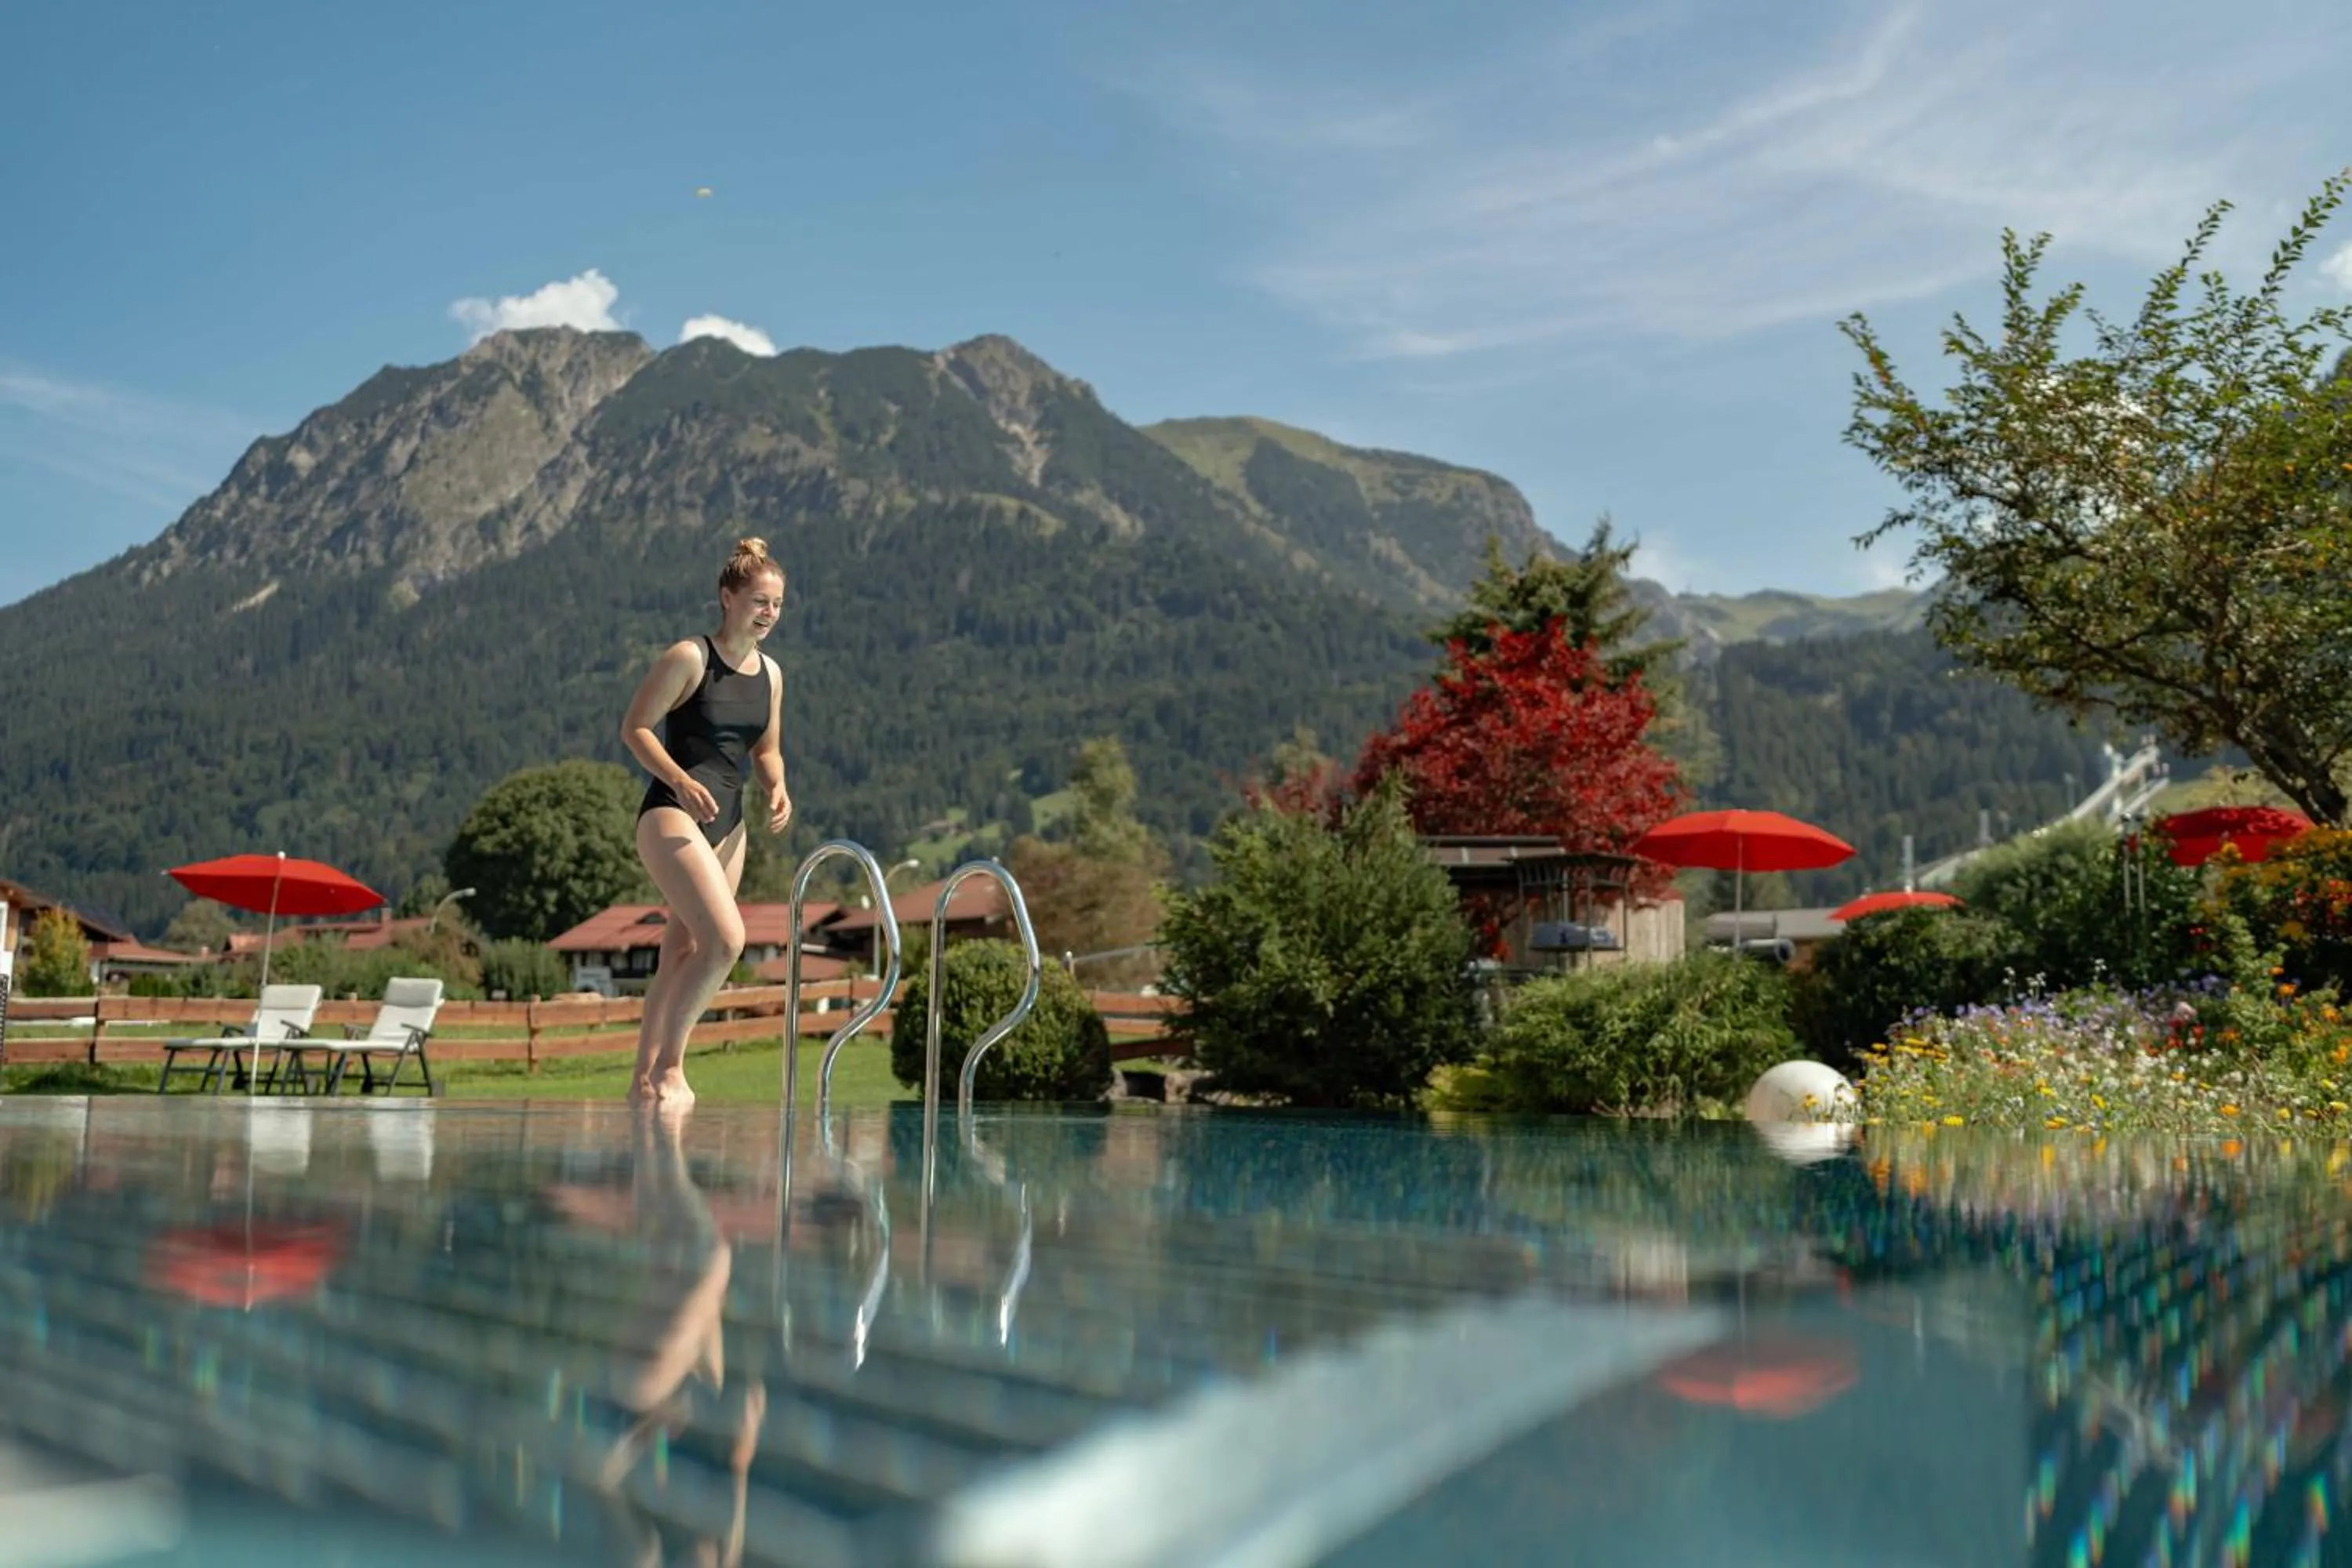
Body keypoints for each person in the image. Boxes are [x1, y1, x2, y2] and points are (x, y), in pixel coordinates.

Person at [619, 537, 793, 1104]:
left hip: (730, 826)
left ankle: (643, 1081)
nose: (768, 613)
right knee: (726, 941)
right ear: (727, 598)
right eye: (759, 602)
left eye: (777, 604)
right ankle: (672, 1067)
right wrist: (679, 779)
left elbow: (765, 749)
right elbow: (637, 728)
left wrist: (777, 786)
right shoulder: (690, 657)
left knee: (681, 952)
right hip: (671, 814)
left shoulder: (771, 674)